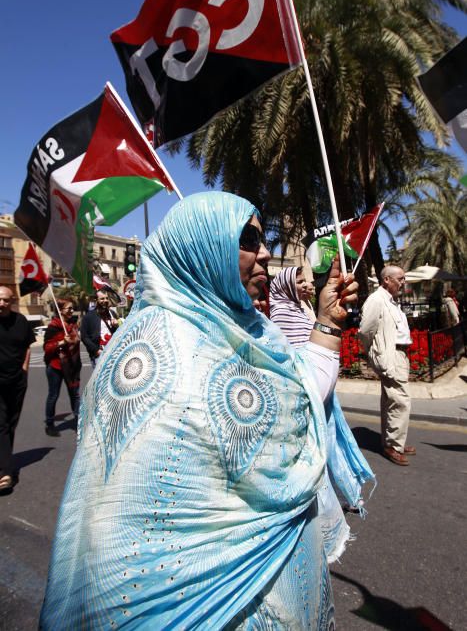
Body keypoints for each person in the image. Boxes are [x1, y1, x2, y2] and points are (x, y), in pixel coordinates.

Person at [40, 193, 373, 629]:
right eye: (249, 238)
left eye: (264, 237)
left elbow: (297, 393)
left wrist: (326, 323)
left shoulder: (245, 330)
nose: (267, 252)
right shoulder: (168, 353)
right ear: (204, 249)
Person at [359, 265, 415, 466]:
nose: (403, 282)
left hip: (398, 354)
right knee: (400, 400)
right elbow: (365, 331)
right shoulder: (376, 300)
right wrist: (375, 352)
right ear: (387, 280)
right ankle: (393, 446)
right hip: (390, 355)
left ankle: (394, 442)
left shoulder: (390, 301)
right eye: (400, 278)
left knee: (391, 400)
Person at [0, 286, 35, 493]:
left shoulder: (20, 321)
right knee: (1, 424)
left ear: (12, 301)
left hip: (17, 381)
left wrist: (24, 370)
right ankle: (6, 472)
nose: (1, 303)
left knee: (10, 424)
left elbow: (28, 346)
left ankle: (4, 458)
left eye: (5, 300)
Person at [43, 298, 81, 437]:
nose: (71, 310)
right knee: (53, 395)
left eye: (72, 308)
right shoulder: (53, 326)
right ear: (60, 310)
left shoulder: (73, 325)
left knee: (75, 395)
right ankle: (50, 424)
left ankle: (78, 421)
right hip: (56, 367)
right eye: (68, 308)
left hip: (72, 366)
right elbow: (47, 348)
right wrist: (60, 342)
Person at [269, 266, 315, 346]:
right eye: (300, 282)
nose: (305, 285)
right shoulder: (281, 312)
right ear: (286, 286)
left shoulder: (298, 307)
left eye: (304, 281)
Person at [80, 289, 119, 366]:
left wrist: (117, 326)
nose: (105, 300)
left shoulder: (112, 314)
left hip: (113, 354)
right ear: (96, 300)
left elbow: (118, 334)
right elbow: (84, 337)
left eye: (107, 298)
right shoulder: (89, 317)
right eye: (102, 299)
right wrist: (96, 351)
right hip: (99, 355)